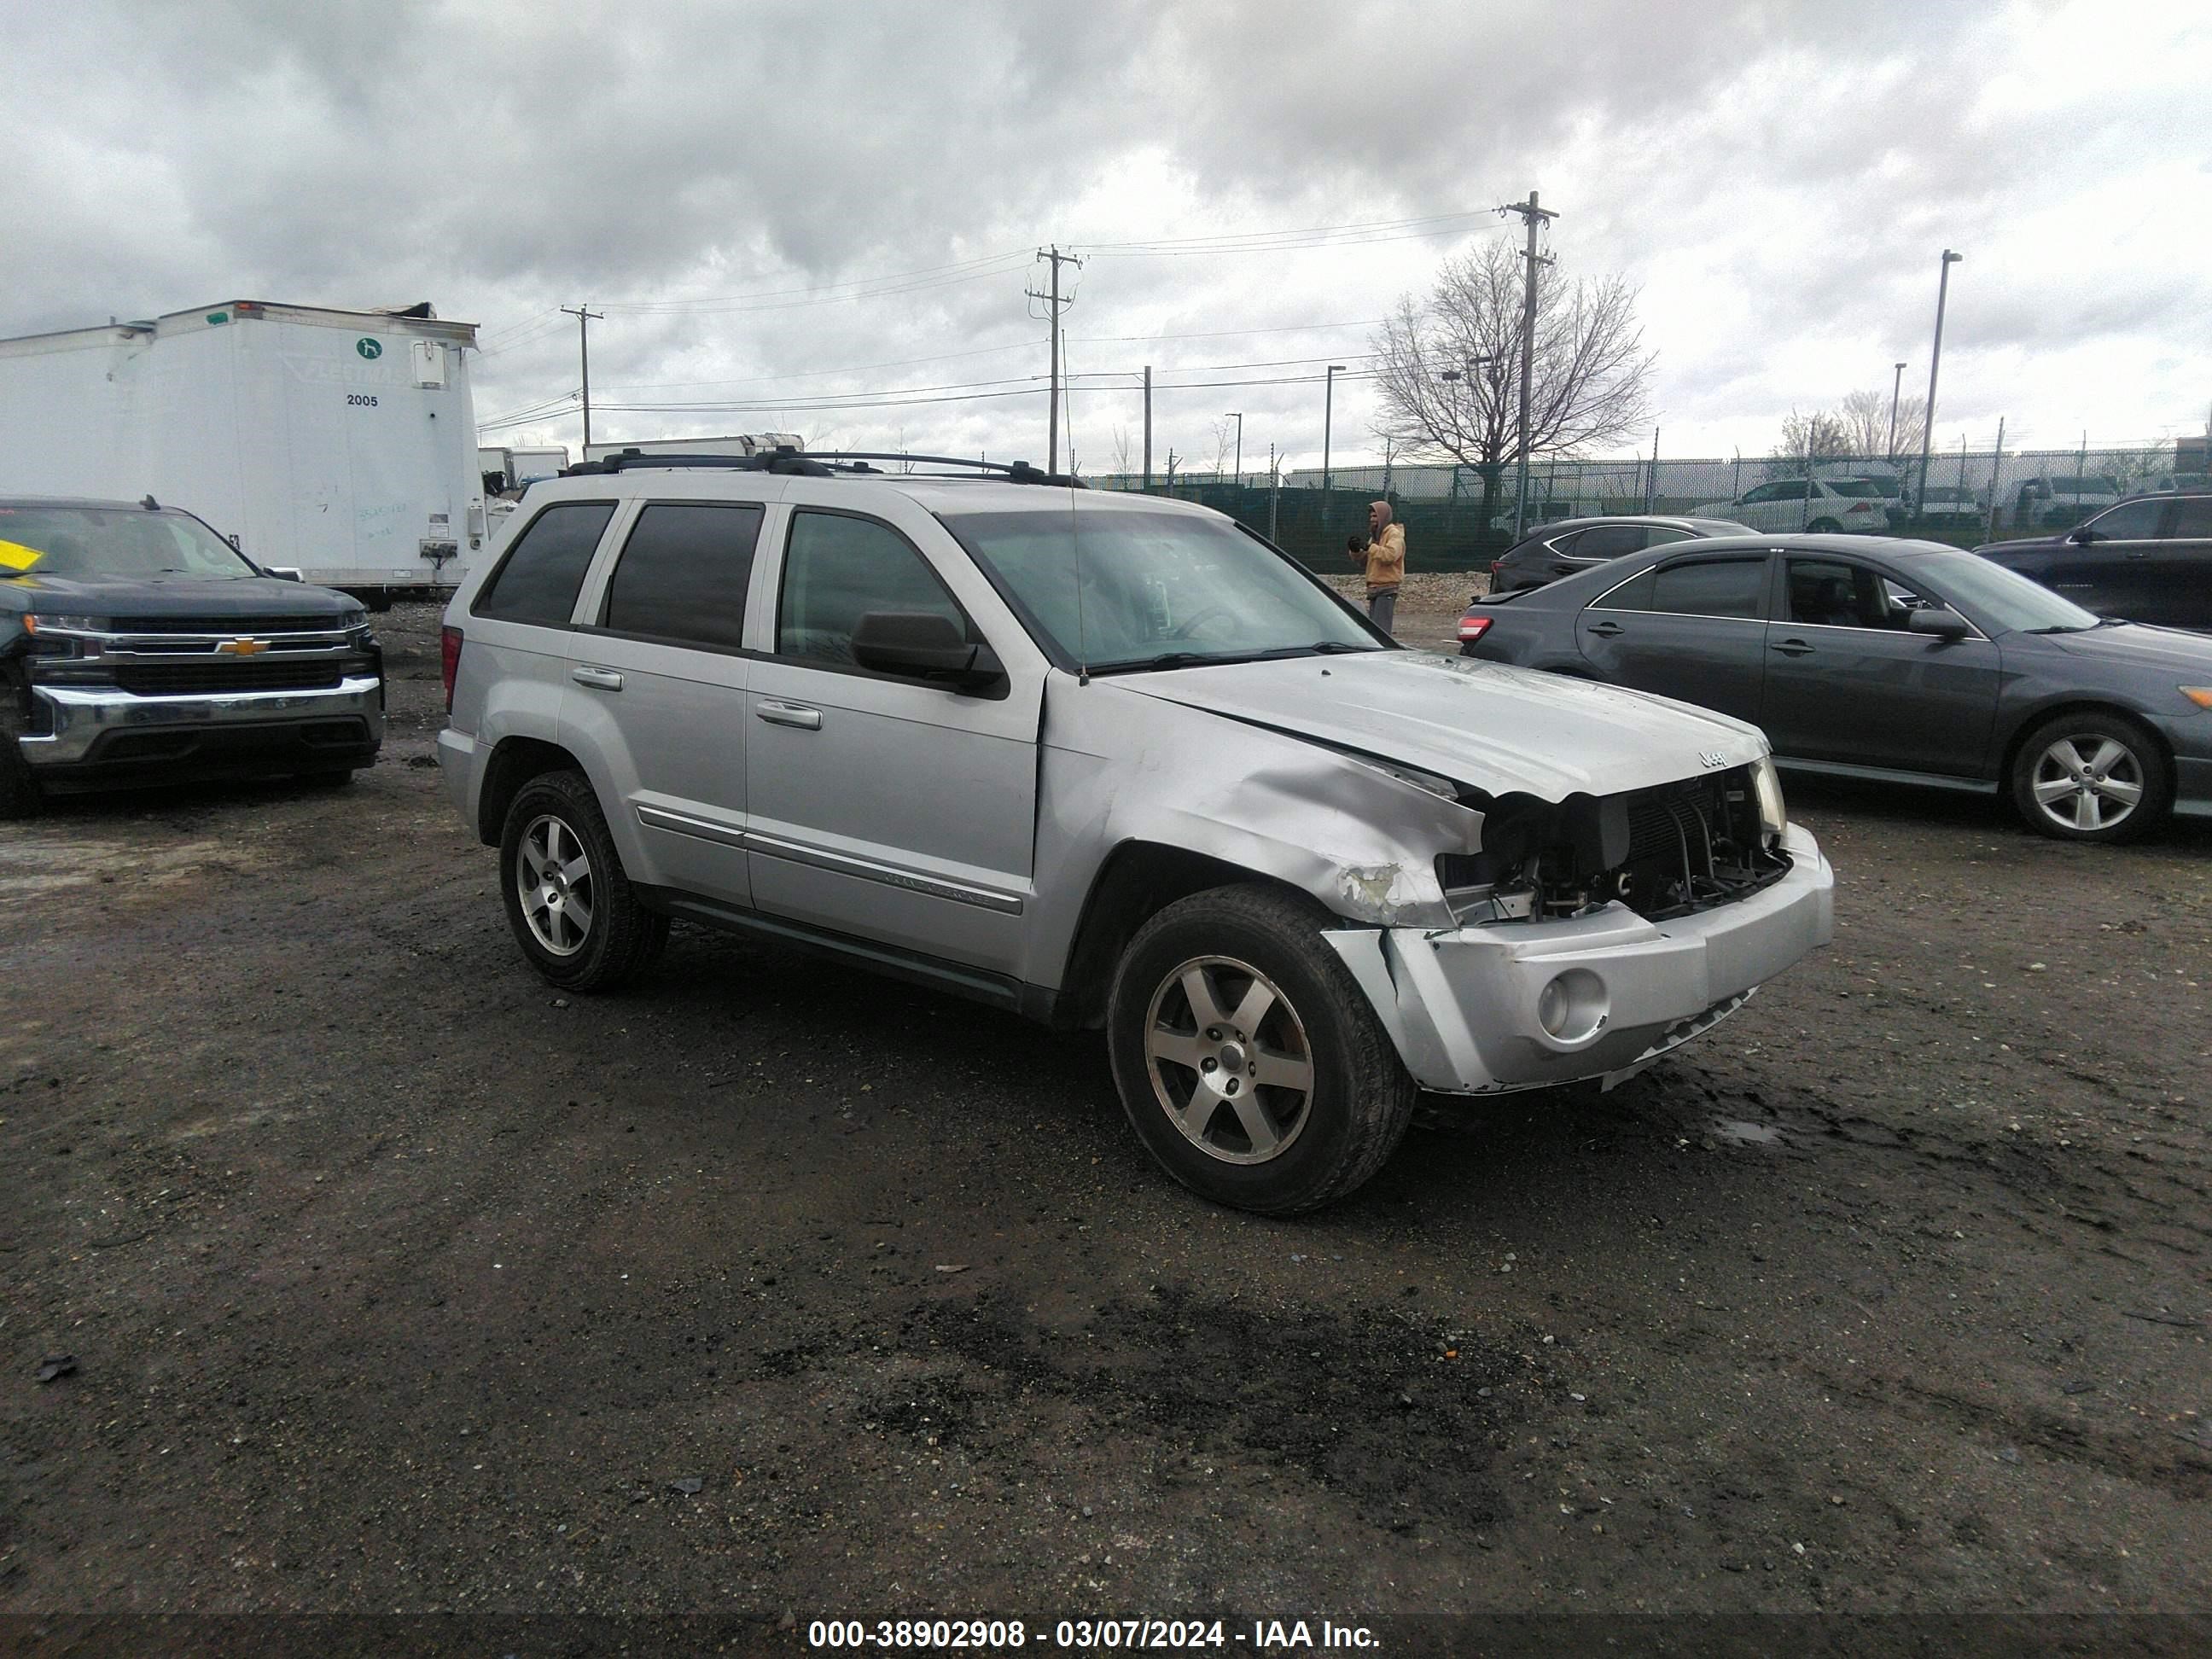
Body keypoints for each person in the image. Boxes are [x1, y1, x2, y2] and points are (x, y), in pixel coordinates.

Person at [1348, 499, 1405, 634]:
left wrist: (1369, 547)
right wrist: (1356, 551)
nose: (1372, 520)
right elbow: (1365, 561)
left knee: (1381, 631)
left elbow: (1390, 555)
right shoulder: (1375, 536)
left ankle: (1384, 654)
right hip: (1374, 589)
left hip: (1387, 588)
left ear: (1384, 516)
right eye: (1371, 517)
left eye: (1375, 516)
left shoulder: (1394, 535)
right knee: (1374, 630)